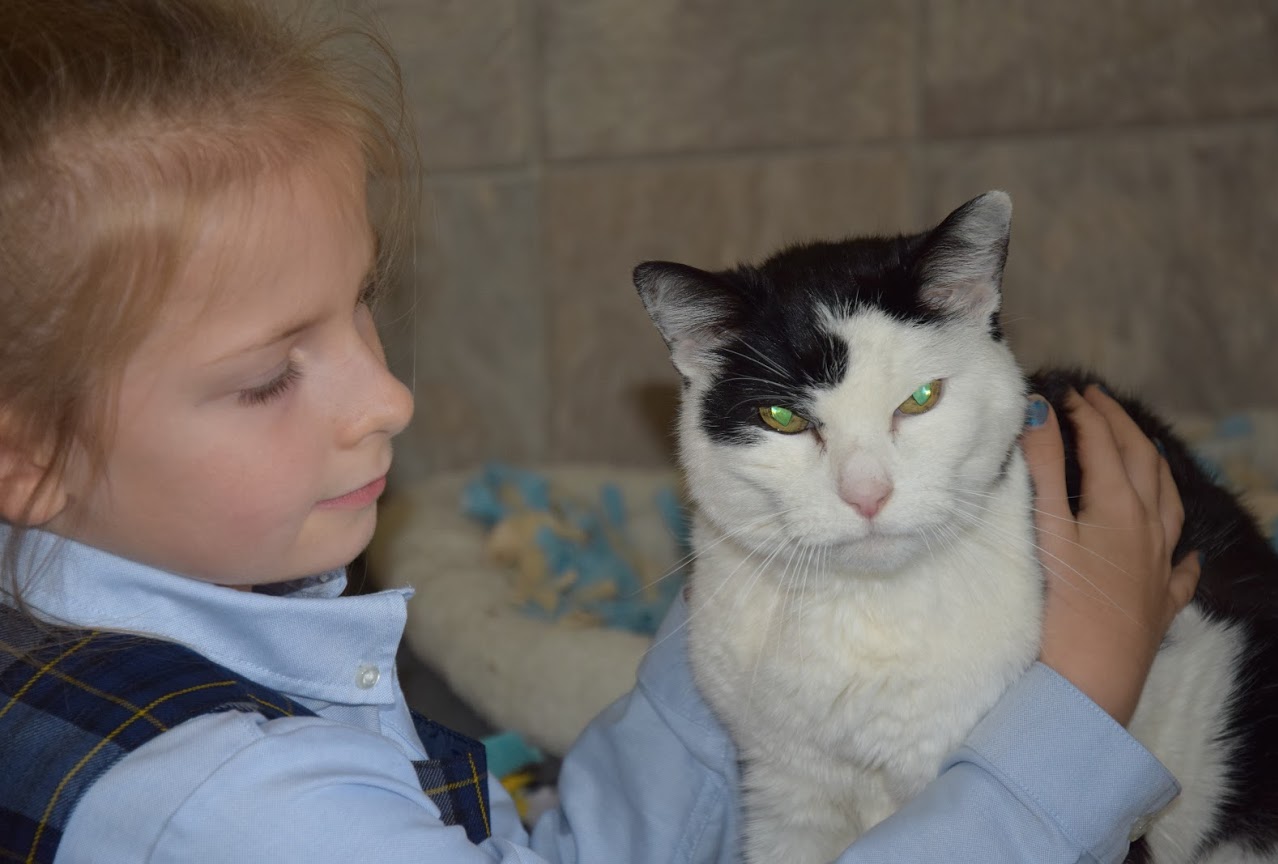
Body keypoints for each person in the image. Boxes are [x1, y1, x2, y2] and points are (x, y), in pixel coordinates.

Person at [0, 1, 1200, 862]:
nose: (389, 398)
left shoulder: (154, 641)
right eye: (270, 376)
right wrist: (1073, 722)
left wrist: (756, 596)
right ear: (27, 459)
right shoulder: (251, 814)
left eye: (360, 302)